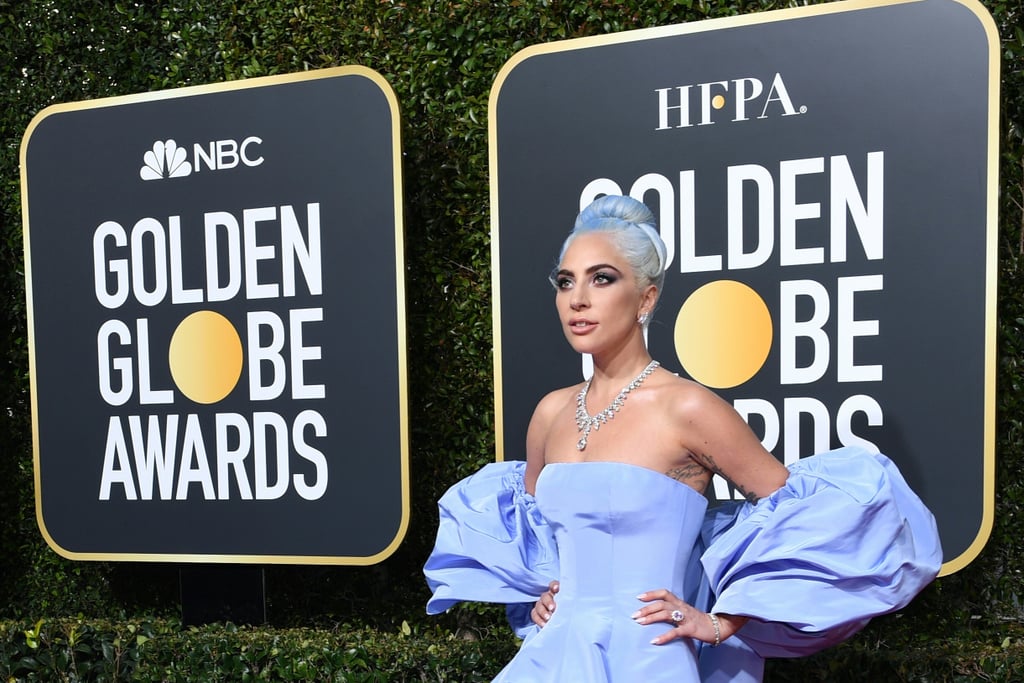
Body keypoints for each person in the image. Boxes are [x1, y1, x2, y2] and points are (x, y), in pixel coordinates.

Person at [424, 195, 942, 681]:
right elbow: (537, 533)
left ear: (646, 297)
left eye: (601, 279)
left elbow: (801, 511)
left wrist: (722, 623)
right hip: (556, 653)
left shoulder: (688, 407)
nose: (577, 299)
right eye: (565, 282)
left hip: (648, 657)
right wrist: (542, 594)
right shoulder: (550, 412)